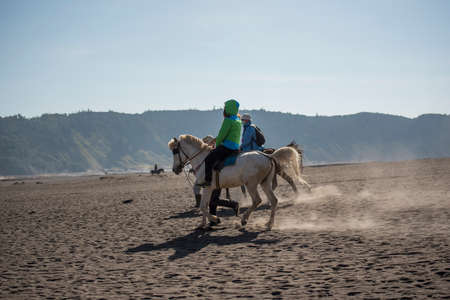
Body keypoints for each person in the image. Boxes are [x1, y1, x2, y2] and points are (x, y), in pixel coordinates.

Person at [202, 99, 242, 187]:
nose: (224, 110)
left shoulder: (228, 120)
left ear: (229, 109)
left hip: (227, 147)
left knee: (208, 159)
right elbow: (229, 134)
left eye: (225, 108)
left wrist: (216, 145)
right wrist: (215, 140)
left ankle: (208, 181)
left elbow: (222, 135)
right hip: (236, 148)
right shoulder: (238, 120)